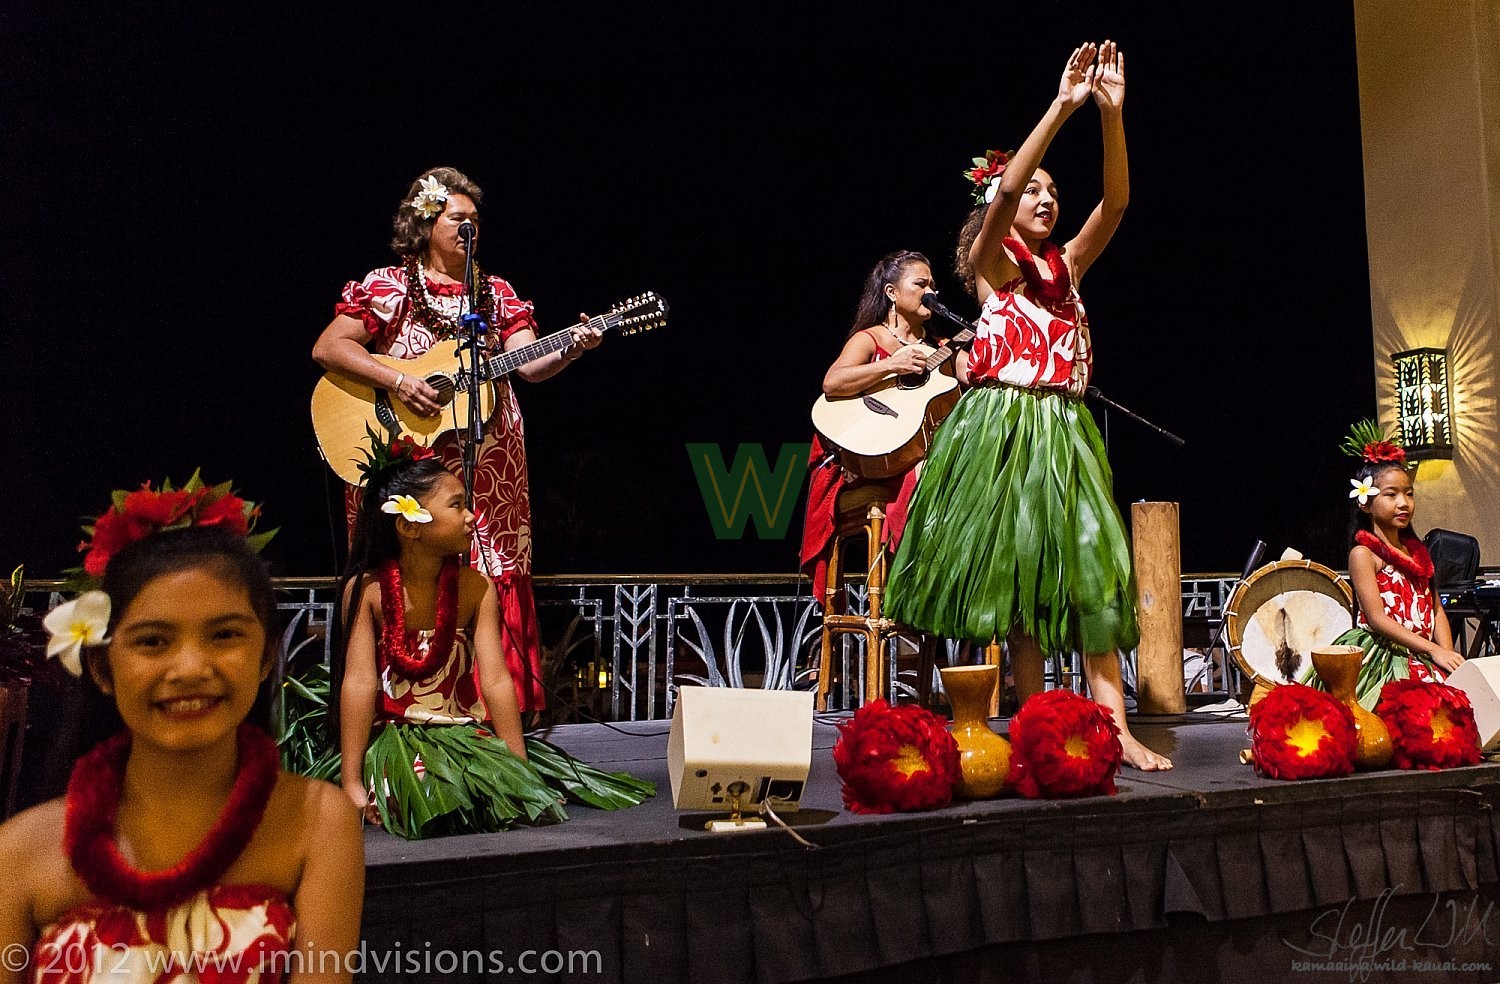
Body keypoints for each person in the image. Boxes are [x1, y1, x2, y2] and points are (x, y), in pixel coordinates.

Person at [887, 42, 1172, 771]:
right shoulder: (992, 266)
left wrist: (1112, 115)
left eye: (1054, 191)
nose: (1046, 197)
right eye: (1034, 189)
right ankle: (1023, 729)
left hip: (1064, 429)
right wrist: (1061, 105)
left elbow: (1119, 203)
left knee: (1090, 572)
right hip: (1004, 431)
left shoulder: (1067, 267)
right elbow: (1005, 196)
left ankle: (1114, 727)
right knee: (1015, 591)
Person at [0, 480, 362, 982]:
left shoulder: (319, 824)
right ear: (103, 669)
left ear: (265, 656)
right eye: (153, 641)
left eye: (225, 635)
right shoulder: (17, 852)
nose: (190, 667)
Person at [313, 166, 602, 716]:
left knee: (490, 570)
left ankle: (490, 720)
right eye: (457, 219)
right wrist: (399, 380)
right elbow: (330, 348)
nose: (470, 229)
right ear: (425, 223)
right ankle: (401, 712)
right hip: (410, 460)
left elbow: (530, 363)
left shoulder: (496, 294)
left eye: (475, 221)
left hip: (489, 462)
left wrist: (571, 347)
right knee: (408, 566)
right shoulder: (389, 286)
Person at [337, 438, 653, 840]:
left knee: (481, 792)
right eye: (456, 505)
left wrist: (520, 773)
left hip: (462, 732)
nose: (471, 516)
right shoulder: (368, 592)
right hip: (398, 739)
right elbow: (359, 683)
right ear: (407, 524)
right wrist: (352, 783)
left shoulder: (475, 588)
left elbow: (497, 680)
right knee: (425, 789)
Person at [801, 250, 942, 601]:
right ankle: (906, 594)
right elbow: (832, 383)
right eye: (921, 284)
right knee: (926, 470)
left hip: (909, 454)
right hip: (858, 462)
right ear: (892, 293)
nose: (931, 292)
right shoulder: (870, 338)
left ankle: (947, 593)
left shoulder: (939, 349)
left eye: (934, 286)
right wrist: (891, 365)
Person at [1311, 424, 1464, 708]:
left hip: (1424, 654)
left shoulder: (1417, 553)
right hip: (1386, 656)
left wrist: (1446, 655)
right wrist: (1431, 650)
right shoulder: (1364, 554)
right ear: (1366, 503)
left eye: (1409, 493)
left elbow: (1435, 608)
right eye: (1391, 495)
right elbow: (1377, 618)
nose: (1404, 503)